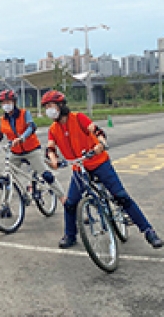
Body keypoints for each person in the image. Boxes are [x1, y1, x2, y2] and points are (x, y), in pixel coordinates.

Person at [41, 90, 162, 249]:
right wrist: (53, 159)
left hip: (99, 163)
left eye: (52, 106)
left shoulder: (78, 118)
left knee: (121, 196)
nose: (50, 110)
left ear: (61, 105)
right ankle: (70, 235)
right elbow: (50, 148)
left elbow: (98, 131)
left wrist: (101, 144)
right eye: (47, 107)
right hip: (79, 168)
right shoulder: (53, 129)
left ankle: (148, 231)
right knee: (70, 204)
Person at [0, 89, 66, 218]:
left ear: (14, 102)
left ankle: (64, 201)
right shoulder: (2, 120)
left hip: (31, 149)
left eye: (8, 101)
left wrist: (22, 138)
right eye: (3, 102)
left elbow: (32, 126)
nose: (5, 104)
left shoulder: (24, 114)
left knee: (46, 175)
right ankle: (5, 207)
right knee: (7, 178)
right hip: (15, 152)